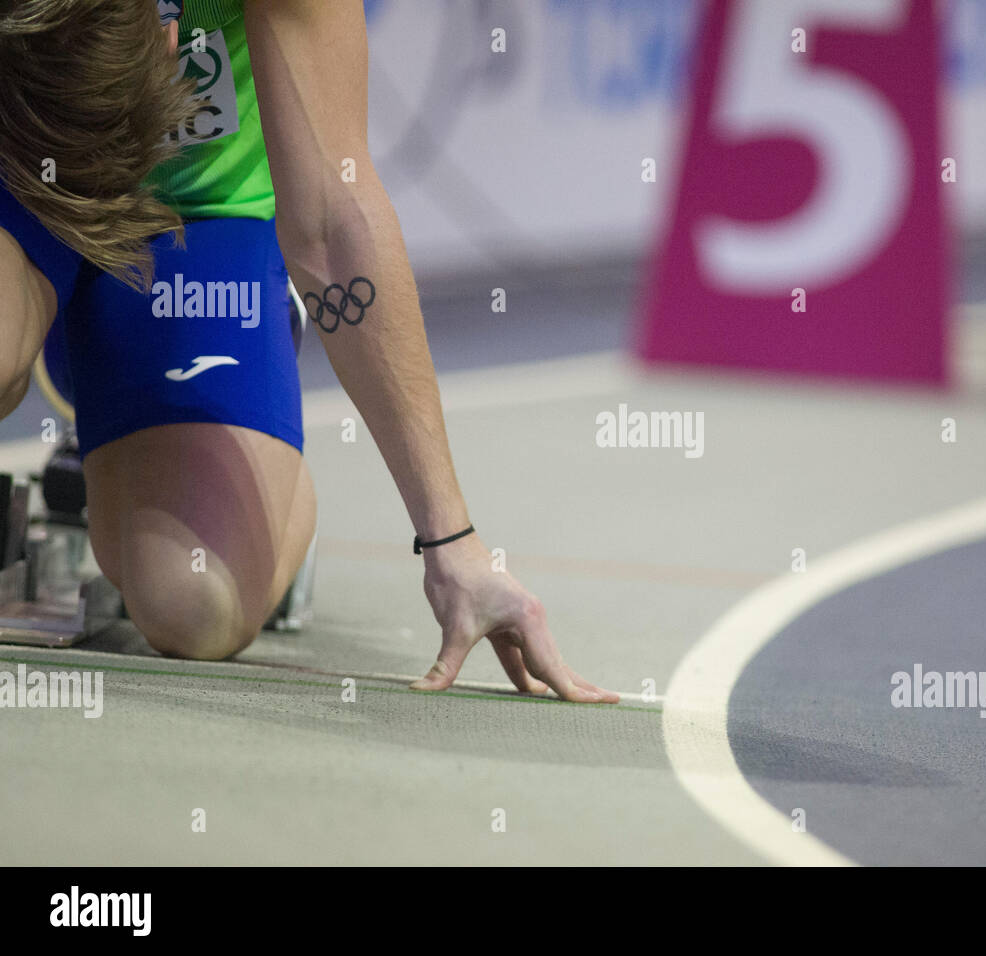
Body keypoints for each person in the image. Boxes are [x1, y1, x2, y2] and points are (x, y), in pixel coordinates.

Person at [0, 0, 617, 703]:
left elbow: (330, 222)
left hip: (194, 210)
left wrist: (453, 543)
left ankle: (208, 428)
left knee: (198, 605)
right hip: (22, 165)